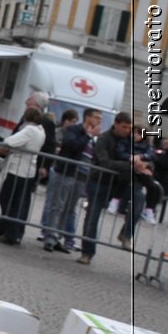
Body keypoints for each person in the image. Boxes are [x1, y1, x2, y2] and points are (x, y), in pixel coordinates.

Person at [78, 112, 138, 265]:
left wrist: (142, 163)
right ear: (116, 124)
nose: (127, 131)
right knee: (93, 216)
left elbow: (143, 155)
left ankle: (126, 233)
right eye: (124, 127)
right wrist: (128, 165)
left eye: (129, 128)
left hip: (122, 182)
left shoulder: (131, 140)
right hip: (100, 181)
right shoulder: (104, 139)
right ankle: (87, 252)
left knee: (139, 200)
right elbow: (104, 162)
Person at [41, 108, 100, 254]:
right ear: (87, 117)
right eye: (96, 117)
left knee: (68, 209)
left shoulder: (97, 137)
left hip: (81, 176)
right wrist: (88, 135)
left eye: (100, 118)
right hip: (66, 172)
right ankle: (50, 237)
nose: (99, 121)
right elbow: (71, 145)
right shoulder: (74, 130)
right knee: (57, 205)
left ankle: (57, 237)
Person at [0, 107, 46, 245]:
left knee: (8, 199)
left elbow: (10, 141)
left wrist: (6, 147)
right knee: (19, 202)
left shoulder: (29, 130)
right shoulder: (41, 131)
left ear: (25, 117)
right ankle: (13, 231)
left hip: (18, 169)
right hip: (28, 169)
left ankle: (11, 232)